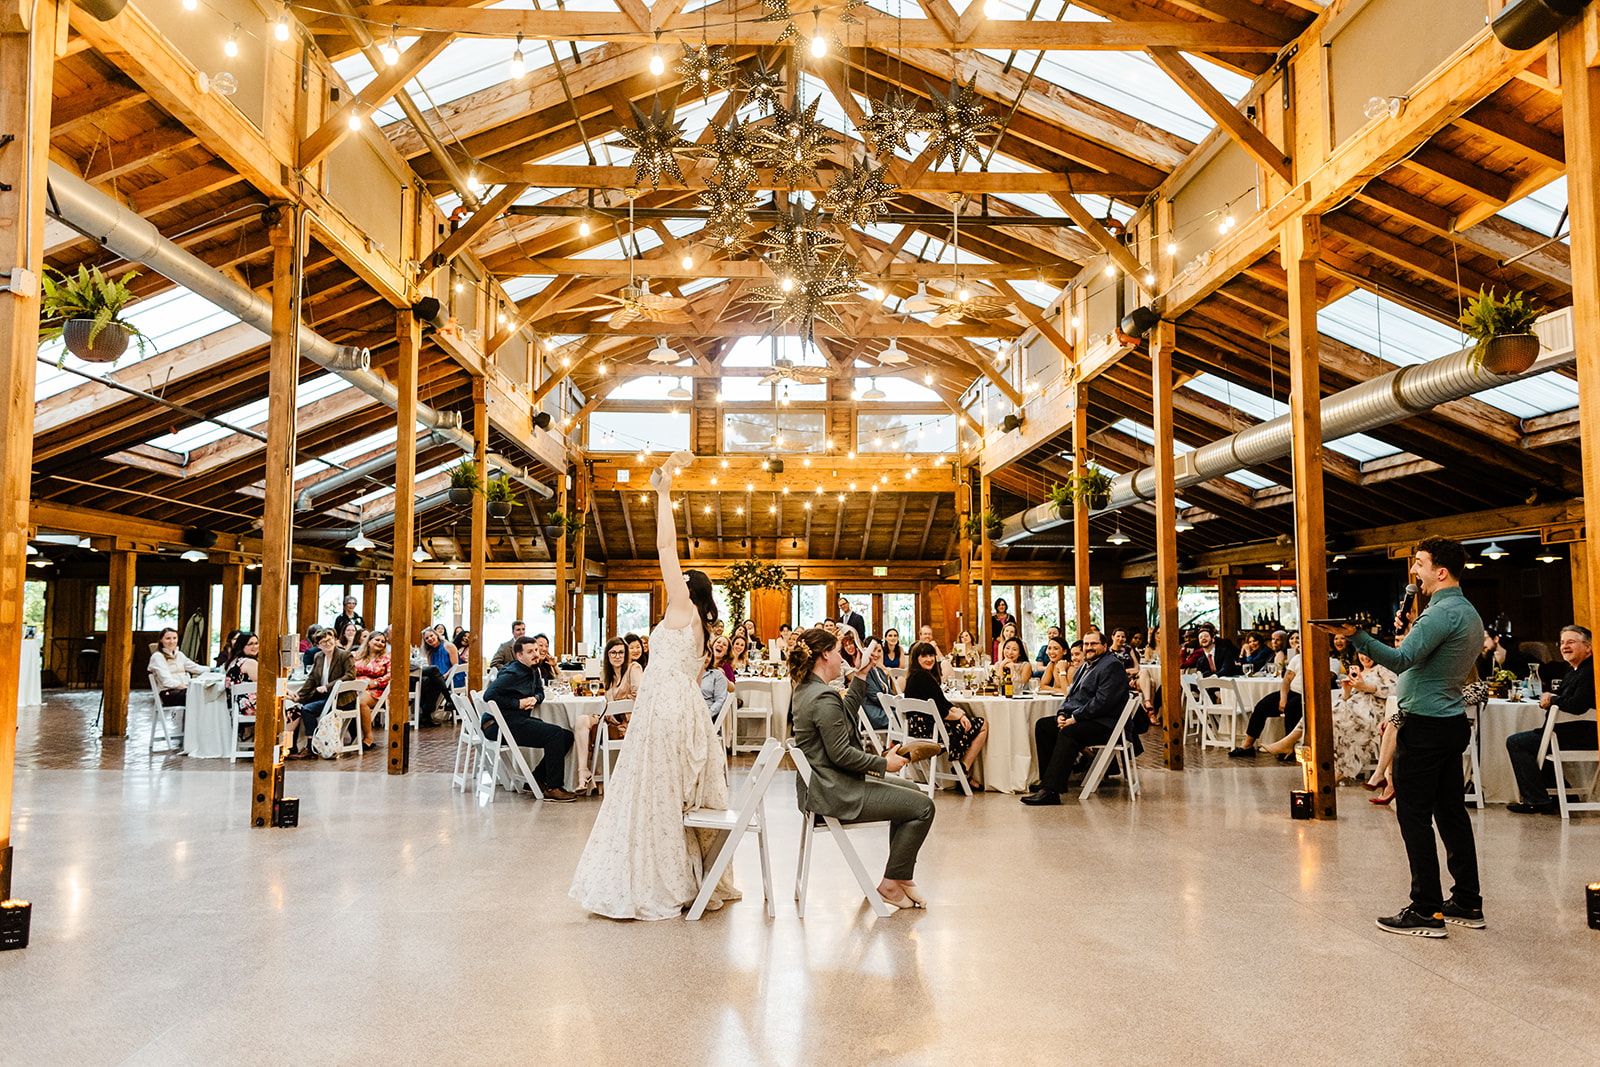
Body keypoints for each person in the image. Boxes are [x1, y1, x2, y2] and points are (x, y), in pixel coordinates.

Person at [571, 453, 740, 920]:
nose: (673, 580)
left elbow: (666, 547)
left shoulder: (682, 606)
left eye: (680, 579)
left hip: (665, 708)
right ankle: (682, 873)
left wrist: (664, 494)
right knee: (663, 793)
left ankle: (660, 877)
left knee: (653, 794)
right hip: (681, 708)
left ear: (690, 588)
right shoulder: (699, 627)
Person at [1321, 536, 1485, 938]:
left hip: (1425, 725)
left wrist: (1356, 635)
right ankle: (1467, 901)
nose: (1414, 571)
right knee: (1451, 813)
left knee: (1413, 814)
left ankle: (1426, 910)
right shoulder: (1466, 611)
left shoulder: (1439, 614)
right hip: (1448, 721)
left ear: (1440, 572)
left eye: (1419, 563)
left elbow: (1400, 660)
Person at [788, 627, 935, 909]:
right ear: (824, 655)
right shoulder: (821, 696)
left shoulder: (808, 689)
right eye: (836, 651)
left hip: (823, 786)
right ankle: (892, 882)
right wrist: (884, 764)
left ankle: (899, 876)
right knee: (923, 807)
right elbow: (841, 754)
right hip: (834, 792)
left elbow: (842, 714)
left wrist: (862, 674)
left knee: (913, 791)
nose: (841, 658)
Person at [1022, 630, 1130, 806]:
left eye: (1094, 644)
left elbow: (1102, 702)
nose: (1089, 647)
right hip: (1088, 719)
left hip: (1106, 724)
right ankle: (1046, 781)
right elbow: (1072, 696)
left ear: (1104, 646)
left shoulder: (1112, 665)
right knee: (1044, 726)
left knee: (1069, 732)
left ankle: (1051, 791)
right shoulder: (1086, 666)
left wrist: (1075, 718)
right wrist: (1062, 714)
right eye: (1086, 644)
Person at [1506, 624, 1595, 814]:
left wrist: (1552, 699)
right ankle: (1564, 795)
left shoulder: (1590, 672)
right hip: (1569, 734)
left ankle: (1536, 799)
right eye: (1562, 643)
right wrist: (1552, 697)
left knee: (1517, 742)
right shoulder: (1574, 670)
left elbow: (1577, 705)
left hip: (1579, 736)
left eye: (1571, 642)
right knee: (1537, 744)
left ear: (1588, 647)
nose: (1565, 647)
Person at [482, 635, 576, 802]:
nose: (536, 654)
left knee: (567, 736)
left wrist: (535, 698)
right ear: (520, 656)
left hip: (512, 721)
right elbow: (489, 695)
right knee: (555, 734)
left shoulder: (533, 670)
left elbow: (540, 692)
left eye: (536, 650)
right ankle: (553, 788)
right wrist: (517, 703)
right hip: (498, 725)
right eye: (530, 651)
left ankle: (536, 780)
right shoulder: (513, 673)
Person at [902, 641, 988, 790]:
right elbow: (941, 712)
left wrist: (960, 713)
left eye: (931, 655)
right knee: (983, 725)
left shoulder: (915, 676)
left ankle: (963, 770)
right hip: (931, 731)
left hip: (917, 728)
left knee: (965, 722)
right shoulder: (923, 677)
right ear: (916, 658)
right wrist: (959, 716)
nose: (929, 659)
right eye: (924, 656)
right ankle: (964, 768)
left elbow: (942, 702)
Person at [1229, 638, 1304, 761]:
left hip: (1306, 695)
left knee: (1292, 707)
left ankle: (1289, 747)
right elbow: (1287, 679)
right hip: (1292, 691)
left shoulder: (1330, 661)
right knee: (1261, 706)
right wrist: (1283, 698)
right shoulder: (1297, 658)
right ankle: (1247, 745)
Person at [288, 627, 352, 755]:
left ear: (334, 640)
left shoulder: (344, 655)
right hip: (323, 697)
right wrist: (299, 695)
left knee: (307, 709)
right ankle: (291, 746)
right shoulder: (318, 656)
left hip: (340, 698)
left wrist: (328, 686)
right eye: (323, 642)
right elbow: (312, 679)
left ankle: (311, 746)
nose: (327, 644)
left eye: (329, 640)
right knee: (296, 706)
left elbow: (350, 675)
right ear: (318, 645)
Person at [148, 627, 205, 707]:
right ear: (161, 640)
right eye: (168, 638)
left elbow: (196, 668)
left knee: (206, 694)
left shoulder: (179, 655)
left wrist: (214, 670)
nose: (172, 642)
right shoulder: (157, 657)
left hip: (184, 691)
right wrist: (186, 687)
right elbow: (167, 681)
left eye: (174, 638)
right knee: (198, 695)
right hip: (168, 693)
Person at [352, 631, 390, 750]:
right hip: (354, 688)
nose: (380, 643)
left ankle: (368, 737)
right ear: (369, 641)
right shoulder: (355, 655)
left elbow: (392, 675)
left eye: (383, 642)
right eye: (377, 640)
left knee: (361, 701)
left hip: (376, 691)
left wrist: (376, 682)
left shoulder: (386, 658)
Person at [418, 626, 460, 724]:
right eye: (427, 638)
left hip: (452, 677)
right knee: (426, 680)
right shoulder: (430, 652)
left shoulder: (449, 646)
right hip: (438, 679)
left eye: (431, 635)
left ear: (436, 635)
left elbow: (455, 665)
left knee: (432, 681)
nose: (430, 639)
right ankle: (427, 713)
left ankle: (425, 713)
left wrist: (445, 676)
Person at [223, 632, 259, 739]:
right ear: (242, 646)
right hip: (248, 708)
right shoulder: (250, 663)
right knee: (294, 710)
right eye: (250, 644)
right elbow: (267, 686)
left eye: (256, 643)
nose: (254, 647)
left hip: (235, 707)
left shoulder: (234, 662)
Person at [699, 647, 729, 720]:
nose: (706, 658)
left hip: (706, 715)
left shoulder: (716, 675)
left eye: (709, 656)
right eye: (703, 655)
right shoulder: (689, 675)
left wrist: (707, 715)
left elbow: (720, 700)